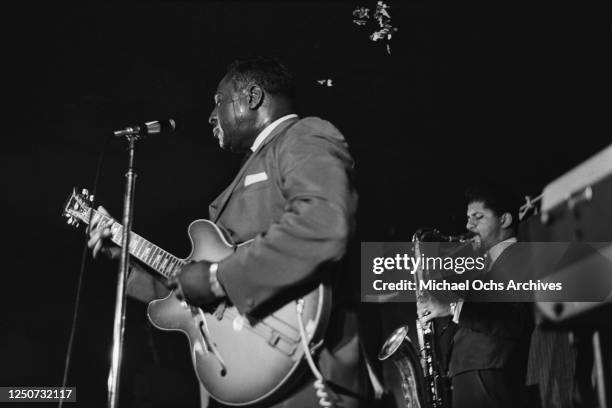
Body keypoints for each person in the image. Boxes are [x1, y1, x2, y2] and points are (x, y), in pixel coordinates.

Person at [88, 56, 369, 408]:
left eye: (219, 102)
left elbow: (324, 222)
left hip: (304, 372)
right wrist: (124, 259)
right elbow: (195, 294)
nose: (211, 115)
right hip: (241, 374)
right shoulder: (247, 167)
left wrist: (220, 277)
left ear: (252, 97)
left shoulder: (302, 135)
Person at [416, 182, 534, 408]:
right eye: (469, 217)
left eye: (478, 217)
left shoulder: (518, 256)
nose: (469, 225)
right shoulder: (486, 267)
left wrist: (451, 308)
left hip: (492, 373)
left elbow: (514, 322)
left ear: (505, 220)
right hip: (473, 373)